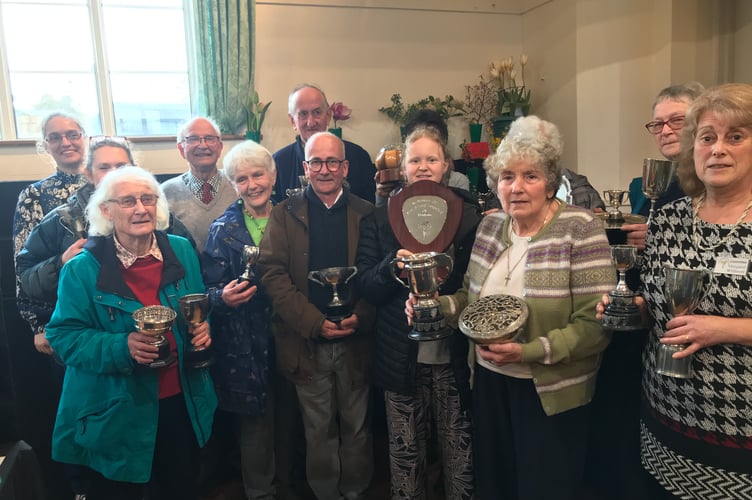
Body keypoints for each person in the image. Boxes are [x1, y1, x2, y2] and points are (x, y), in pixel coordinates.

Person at [421, 116, 613, 500]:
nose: (517, 187)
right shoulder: (491, 228)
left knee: (544, 488)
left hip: (550, 392)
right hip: (490, 383)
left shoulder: (580, 227)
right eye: (507, 177)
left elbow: (596, 323)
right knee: (497, 485)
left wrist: (526, 352)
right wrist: (434, 305)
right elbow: (469, 300)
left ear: (551, 182)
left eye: (531, 176)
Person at [598, 83, 752, 498]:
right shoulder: (668, 218)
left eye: (735, 136)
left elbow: (709, 326)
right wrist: (625, 306)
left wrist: (722, 329)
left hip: (740, 428)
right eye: (707, 137)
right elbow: (653, 307)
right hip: (667, 413)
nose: (718, 149)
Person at [45, 166, 217, 500]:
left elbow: (195, 310)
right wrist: (122, 347)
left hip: (183, 404)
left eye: (147, 199)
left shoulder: (180, 250)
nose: (140, 208)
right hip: (118, 414)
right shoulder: (81, 269)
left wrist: (202, 328)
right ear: (106, 211)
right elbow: (62, 337)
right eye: (127, 201)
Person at [356, 125, 481, 499]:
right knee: (406, 456)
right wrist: (392, 268)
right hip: (400, 355)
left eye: (432, 159)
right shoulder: (378, 220)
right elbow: (366, 286)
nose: (423, 166)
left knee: (460, 452)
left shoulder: (470, 216)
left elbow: (478, 283)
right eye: (415, 159)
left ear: (446, 164)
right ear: (403, 167)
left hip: (455, 355)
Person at [259, 132, 375, 500]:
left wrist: (363, 314)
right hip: (306, 341)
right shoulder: (283, 214)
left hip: (357, 340)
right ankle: (326, 494)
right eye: (316, 163)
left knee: (357, 427)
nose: (324, 170)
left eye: (332, 162)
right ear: (305, 168)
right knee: (317, 429)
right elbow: (272, 275)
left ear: (345, 168)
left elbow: (379, 274)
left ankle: (356, 492)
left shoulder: (367, 213)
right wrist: (312, 321)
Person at [201, 140, 276, 499]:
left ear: (272, 176)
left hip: (292, 335)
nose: (252, 184)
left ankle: (292, 486)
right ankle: (260, 493)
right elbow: (207, 290)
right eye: (242, 179)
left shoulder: (294, 217)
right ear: (233, 185)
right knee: (255, 427)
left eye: (258, 174)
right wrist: (223, 297)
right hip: (244, 343)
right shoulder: (222, 229)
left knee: (294, 416)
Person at [13, 113, 88, 344]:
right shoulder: (34, 195)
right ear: (45, 145)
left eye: (72, 135)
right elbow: (23, 265)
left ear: (85, 138)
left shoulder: (112, 185)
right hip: (63, 316)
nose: (65, 143)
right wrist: (39, 323)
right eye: (55, 138)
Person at [623, 82, 705, 249]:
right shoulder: (641, 188)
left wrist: (662, 237)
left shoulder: (716, 183)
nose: (665, 131)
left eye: (677, 120)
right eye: (658, 124)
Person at [272, 84, 376, 204]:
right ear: (292, 121)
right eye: (303, 114)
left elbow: (370, 212)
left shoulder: (358, 157)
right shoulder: (279, 163)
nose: (311, 123)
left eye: (317, 112)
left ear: (328, 116)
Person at [162, 117, 237, 250]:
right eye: (193, 139)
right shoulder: (165, 192)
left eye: (209, 138)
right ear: (181, 149)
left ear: (220, 147)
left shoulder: (237, 183)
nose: (203, 145)